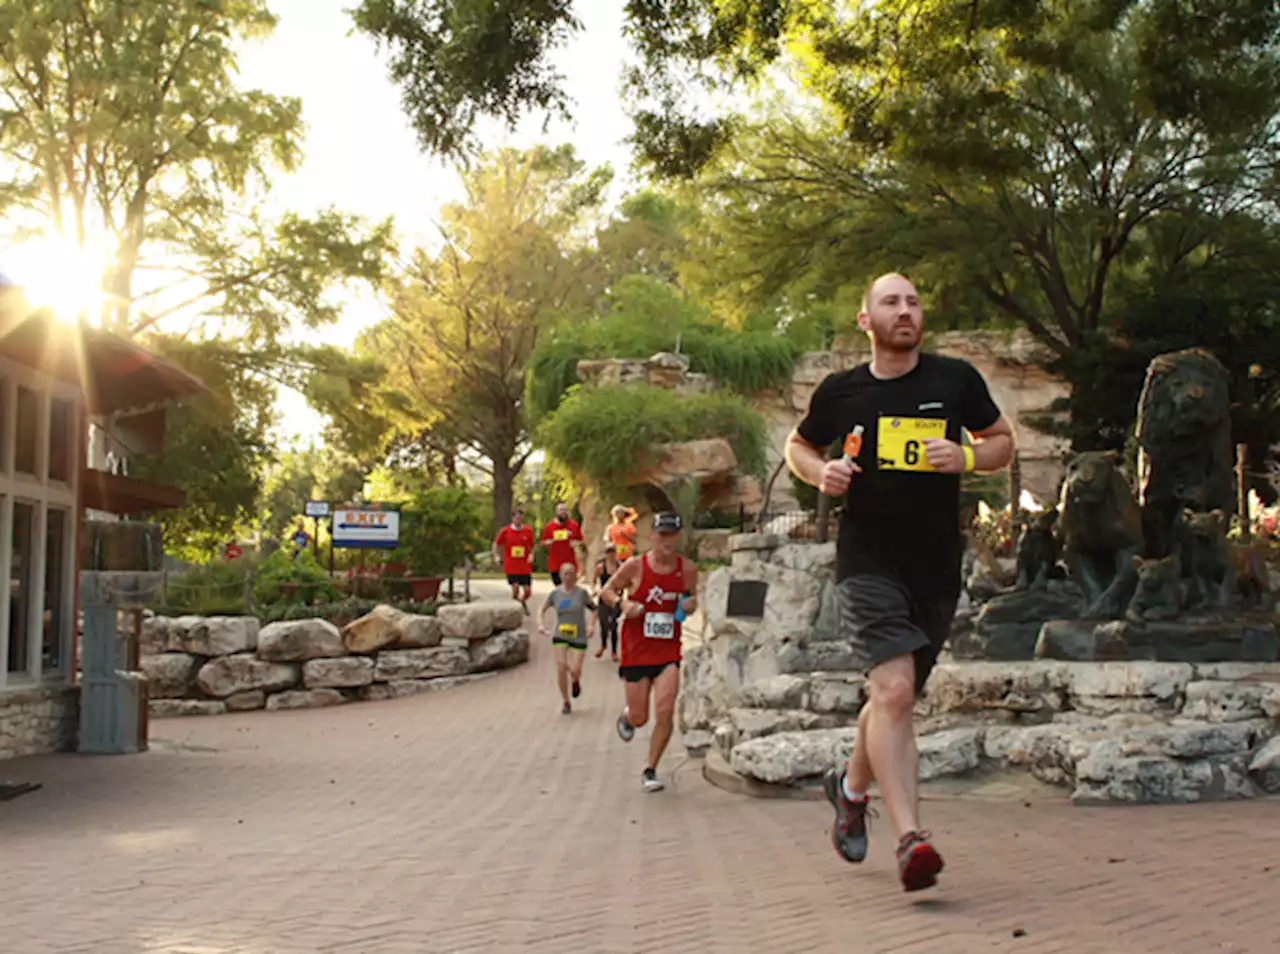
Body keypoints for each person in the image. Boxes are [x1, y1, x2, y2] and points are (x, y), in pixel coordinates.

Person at [784, 272, 1014, 892]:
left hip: (937, 562)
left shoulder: (955, 381)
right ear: (867, 321)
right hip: (867, 558)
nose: (905, 310)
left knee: (896, 698)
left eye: (913, 300)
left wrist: (966, 456)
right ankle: (912, 838)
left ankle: (850, 789)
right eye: (891, 302)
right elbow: (797, 445)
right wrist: (820, 472)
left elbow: (1002, 445)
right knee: (892, 691)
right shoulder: (841, 391)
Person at [599, 512, 698, 793]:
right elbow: (607, 591)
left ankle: (650, 769)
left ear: (678, 536)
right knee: (641, 717)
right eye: (662, 534)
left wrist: (690, 605)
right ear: (653, 536)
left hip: (668, 650)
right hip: (637, 650)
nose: (667, 540)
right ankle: (628, 717)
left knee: (665, 710)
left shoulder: (687, 569)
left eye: (672, 534)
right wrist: (623, 605)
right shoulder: (635, 567)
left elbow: (690, 597)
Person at [537, 562, 597, 714]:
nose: (569, 576)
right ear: (561, 576)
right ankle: (566, 701)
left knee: (575, 669)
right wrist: (541, 625)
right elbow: (542, 609)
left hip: (579, 635)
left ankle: (576, 680)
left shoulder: (581, 593)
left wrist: (591, 625)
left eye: (572, 573)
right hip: (560, 634)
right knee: (561, 666)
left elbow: (595, 609)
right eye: (566, 573)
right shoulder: (555, 594)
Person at [493, 507, 535, 611]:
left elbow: (532, 546)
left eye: (521, 519)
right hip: (511, 564)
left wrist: (531, 555)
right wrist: (496, 556)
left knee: (527, 591)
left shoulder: (528, 531)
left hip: (524, 565)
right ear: (512, 518)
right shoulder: (505, 531)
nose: (519, 521)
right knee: (515, 588)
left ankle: (520, 602)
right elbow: (496, 544)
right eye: (517, 518)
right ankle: (513, 609)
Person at [539, 502, 585, 586]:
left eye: (565, 510)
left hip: (570, 563)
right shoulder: (549, 526)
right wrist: (548, 542)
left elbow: (581, 541)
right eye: (561, 510)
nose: (563, 512)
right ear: (556, 512)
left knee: (570, 587)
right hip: (555, 564)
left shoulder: (574, 525)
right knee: (559, 589)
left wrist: (576, 543)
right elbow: (542, 543)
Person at [592, 543, 622, 661]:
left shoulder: (621, 567)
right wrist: (596, 590)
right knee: (604, 623)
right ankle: (603, 645)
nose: (611, 555)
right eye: (608, 552)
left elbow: (627, 581)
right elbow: (594, 582)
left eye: (613, 552)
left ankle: (614, 651)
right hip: (603, 599)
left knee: (614, 625)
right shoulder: (600, 567)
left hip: (616, 598)